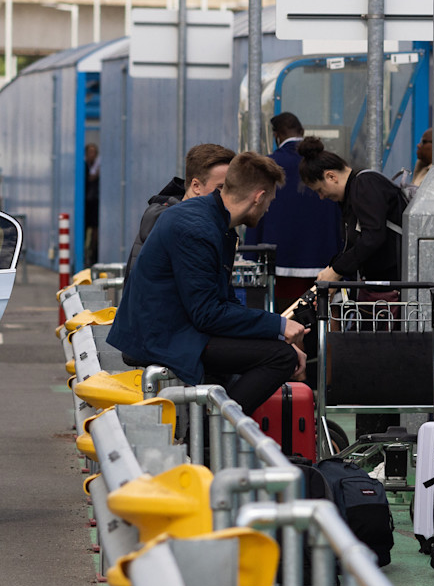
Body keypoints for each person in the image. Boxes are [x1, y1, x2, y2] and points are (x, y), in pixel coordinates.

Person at [107, 152, 306, 415]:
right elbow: (207, 314)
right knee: (281, 357)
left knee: (280, 351)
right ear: (258, 197)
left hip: (180, 327)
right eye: (269, 200)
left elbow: (224, 301)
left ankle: (215, 429)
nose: (268, 208)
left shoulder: (213, 221)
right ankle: (216, 432)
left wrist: (278, 333)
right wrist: (280, 325)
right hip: (164, 336)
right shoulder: (197, 228)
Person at [242, 112, 343, 310]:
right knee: (325, 313)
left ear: (277, 135)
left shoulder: (268, 166)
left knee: (289, 316)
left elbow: (255, 208)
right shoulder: (329, 165)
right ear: (302, 131)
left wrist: (251, 254)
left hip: (280, 258)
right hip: (326, 257)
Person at [299, 138, 407, 287]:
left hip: (394, 283)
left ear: (331, 176)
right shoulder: (352, 192)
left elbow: (372, 237)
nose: (322, 197)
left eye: (319, 190)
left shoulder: (365, 184)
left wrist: (336, 271)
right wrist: (333, 269)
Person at [123, 143, 235, 279]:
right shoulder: (172, 223)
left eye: (231, 188)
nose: (228, 195)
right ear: (196, 186)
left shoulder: (204, 221)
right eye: (221, 187)